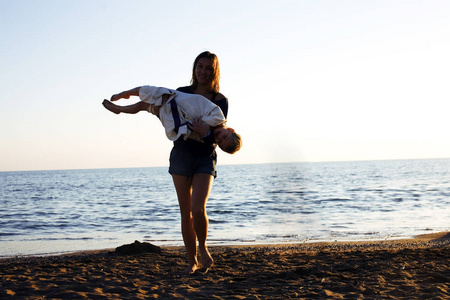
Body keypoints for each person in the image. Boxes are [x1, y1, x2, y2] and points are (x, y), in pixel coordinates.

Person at [102, 85, 242, 154]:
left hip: (175, 115)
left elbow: (190, 130)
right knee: (150, 90)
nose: (220, 138)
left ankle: (119, 109)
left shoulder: (208, 138)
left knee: (143, 105)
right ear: (230, 129)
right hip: (178, 100)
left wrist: (203, 132)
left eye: (220, 142)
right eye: (225, 136)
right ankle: (125, 94)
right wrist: (173, 101)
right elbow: (195, 105)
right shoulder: (218, 116)